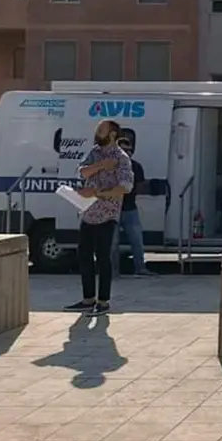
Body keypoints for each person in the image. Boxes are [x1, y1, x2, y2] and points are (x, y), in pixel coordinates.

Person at [65, 119, 133, 316]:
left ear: (112, 134)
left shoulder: (122, 158)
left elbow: (124, 187)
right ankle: (88, 299)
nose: (97, 132)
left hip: (107, 214)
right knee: (84, 256)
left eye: (101, 129)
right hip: (88, 213)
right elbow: (82, 171)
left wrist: (96, 194)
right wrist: (102, 165)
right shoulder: (95, 152)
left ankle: (103, 302)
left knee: (103, 257)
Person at [110, 137, 153, 277]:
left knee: (137, 240)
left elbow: (140, 186)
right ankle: (113, 271)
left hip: (130, 208)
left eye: (129, 150)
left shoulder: (136, 167)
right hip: (113, 209)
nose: (127, 153)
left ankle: (140, 268)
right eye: (123, 150)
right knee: (112, 243)